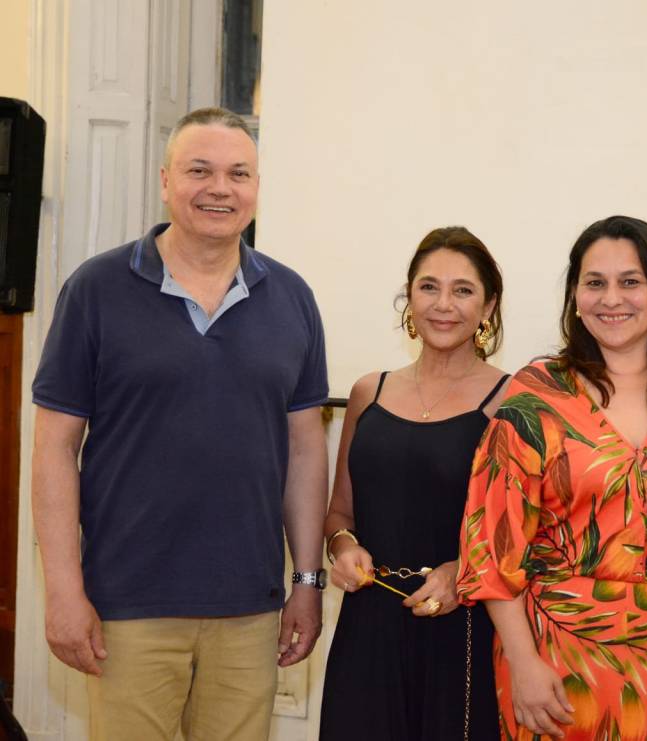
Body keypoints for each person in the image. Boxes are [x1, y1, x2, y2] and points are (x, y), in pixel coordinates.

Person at [31, 107, 329, 741]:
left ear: (255, 187)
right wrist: (62, 590)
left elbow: (305, 451)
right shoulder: (96, 289)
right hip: (126, 607)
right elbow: (54, 449)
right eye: (200, 170)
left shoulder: (293, 298)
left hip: (249, 610)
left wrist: (306, 581)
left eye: (238, 173)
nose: (220, 188)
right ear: (166, 181)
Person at [457, 215, 647, 741]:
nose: (612, 299)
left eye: (630, 281)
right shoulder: (536, 395)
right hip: (551, 663)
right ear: (575, 297)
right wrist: (522, 662)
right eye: (595, 282)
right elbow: (491, 546)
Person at [319, 226, 507, 740]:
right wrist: (342, 547)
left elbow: (527, 537)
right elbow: (339, 514)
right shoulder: (368, 392)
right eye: (429, 287)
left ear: (488, 306)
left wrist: (463, 572)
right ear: (409, 297)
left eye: (463, 290)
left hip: (463, 630)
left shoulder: (513, 402)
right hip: (368, 629)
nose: (443, 304)